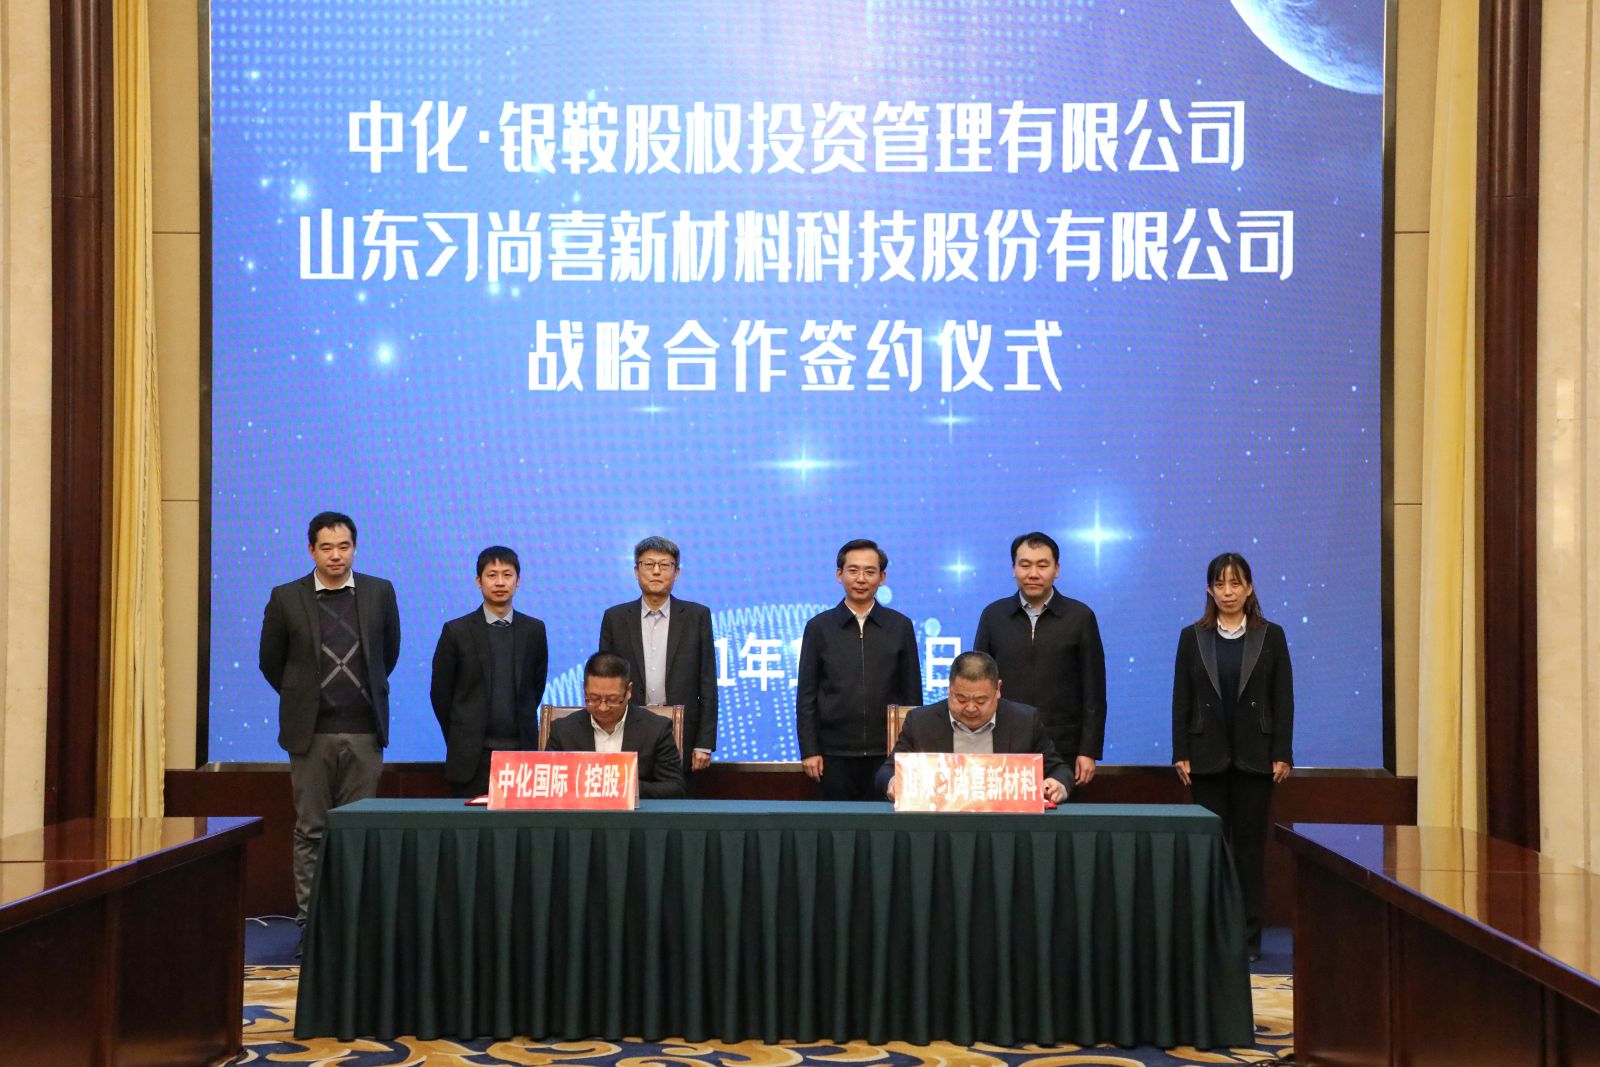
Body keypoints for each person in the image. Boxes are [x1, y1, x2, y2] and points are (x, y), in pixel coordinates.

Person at [258, 511, 400, 924]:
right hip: (311, 734)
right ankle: (312, 925)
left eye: (343, 547)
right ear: (311, 551)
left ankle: (353, 926)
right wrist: (302, 698)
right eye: (326, 548)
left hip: (364, 733)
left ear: (354, 548)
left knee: (358, 833)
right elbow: (271, 663)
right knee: (311, 832)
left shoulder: (379, 592)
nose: (336, 555)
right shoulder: (287, 597)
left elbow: (387, 655)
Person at [1171, 551, 1294, 961]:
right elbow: (1181, 698)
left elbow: (1283, 698)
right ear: (1209, 590)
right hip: (1205, 759)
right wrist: (1180, 751)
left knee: (1249, 852)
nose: (1228, 591)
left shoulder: (1270, 635)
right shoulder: (1192, 636)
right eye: (1220, 584)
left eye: (1235, 583)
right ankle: (1209, 935)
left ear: (1250, 588)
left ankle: (1247, 938)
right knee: (1209, 851)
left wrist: (1282, 752)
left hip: (1256, 760)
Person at [973, 531, 1106, 790]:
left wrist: (1088, 750)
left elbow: (1094, 691)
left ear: (1056, 570)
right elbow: (979, 683)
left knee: (1059, 813)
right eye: (1025, 565)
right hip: (1003, 744)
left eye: (1042, 565)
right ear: (1013, 568)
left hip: (1063, 747)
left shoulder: (1080, 617)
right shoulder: (993, 615)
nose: (1033, 573)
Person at [796, 538, 923, 800]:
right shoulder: (819, 627)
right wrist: (809, 750)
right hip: (833, 755)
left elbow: (912, 693)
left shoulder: (900, 626)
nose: (861, 579)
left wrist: (911, 751)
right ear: (839, 575)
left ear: (882, 577)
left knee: (882, 823)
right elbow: (806, 695)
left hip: (887, 755)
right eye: (853, 570)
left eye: (870, 571)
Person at [429, 546, 549, 798]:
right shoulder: (456, 631)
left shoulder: (534, 630)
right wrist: (461, 736)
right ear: (478, 581)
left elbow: (535, 687)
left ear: (518, 580)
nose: (500, 582)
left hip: (520, 755)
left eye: (507, 575)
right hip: (471, 759)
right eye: (492, 575)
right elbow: (441, 695)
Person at [875, 651, 1070, 803]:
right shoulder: (921, 722)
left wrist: (1057, 784)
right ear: (949, 689)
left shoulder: (1024, 721)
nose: (970, 708)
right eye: (961, 699)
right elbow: (887, 771)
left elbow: (1059, 769)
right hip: (940, 822)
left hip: (1006, 824)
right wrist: (894, 783)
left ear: (998, 690)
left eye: (980, 700)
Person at [597, 536, 717, 779]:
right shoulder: (615, 618)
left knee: (678, 798)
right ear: (636, 571)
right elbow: (603, 681)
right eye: (648, 564)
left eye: (664, 565)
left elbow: (707, 683)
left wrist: (704, 743)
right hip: (626, 728)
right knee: (627, 794)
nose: (656, 571)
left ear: (676, 572)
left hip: (680, 732)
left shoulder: (697, 617)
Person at [545, 652, 686, 799]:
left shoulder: (656, 729)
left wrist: (623, 787)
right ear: (584, 689)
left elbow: (675, 787)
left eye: (612, 699)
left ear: (628, 691)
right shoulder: (563, 731)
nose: (603, 707)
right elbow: (547, 783)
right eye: (594, 698)